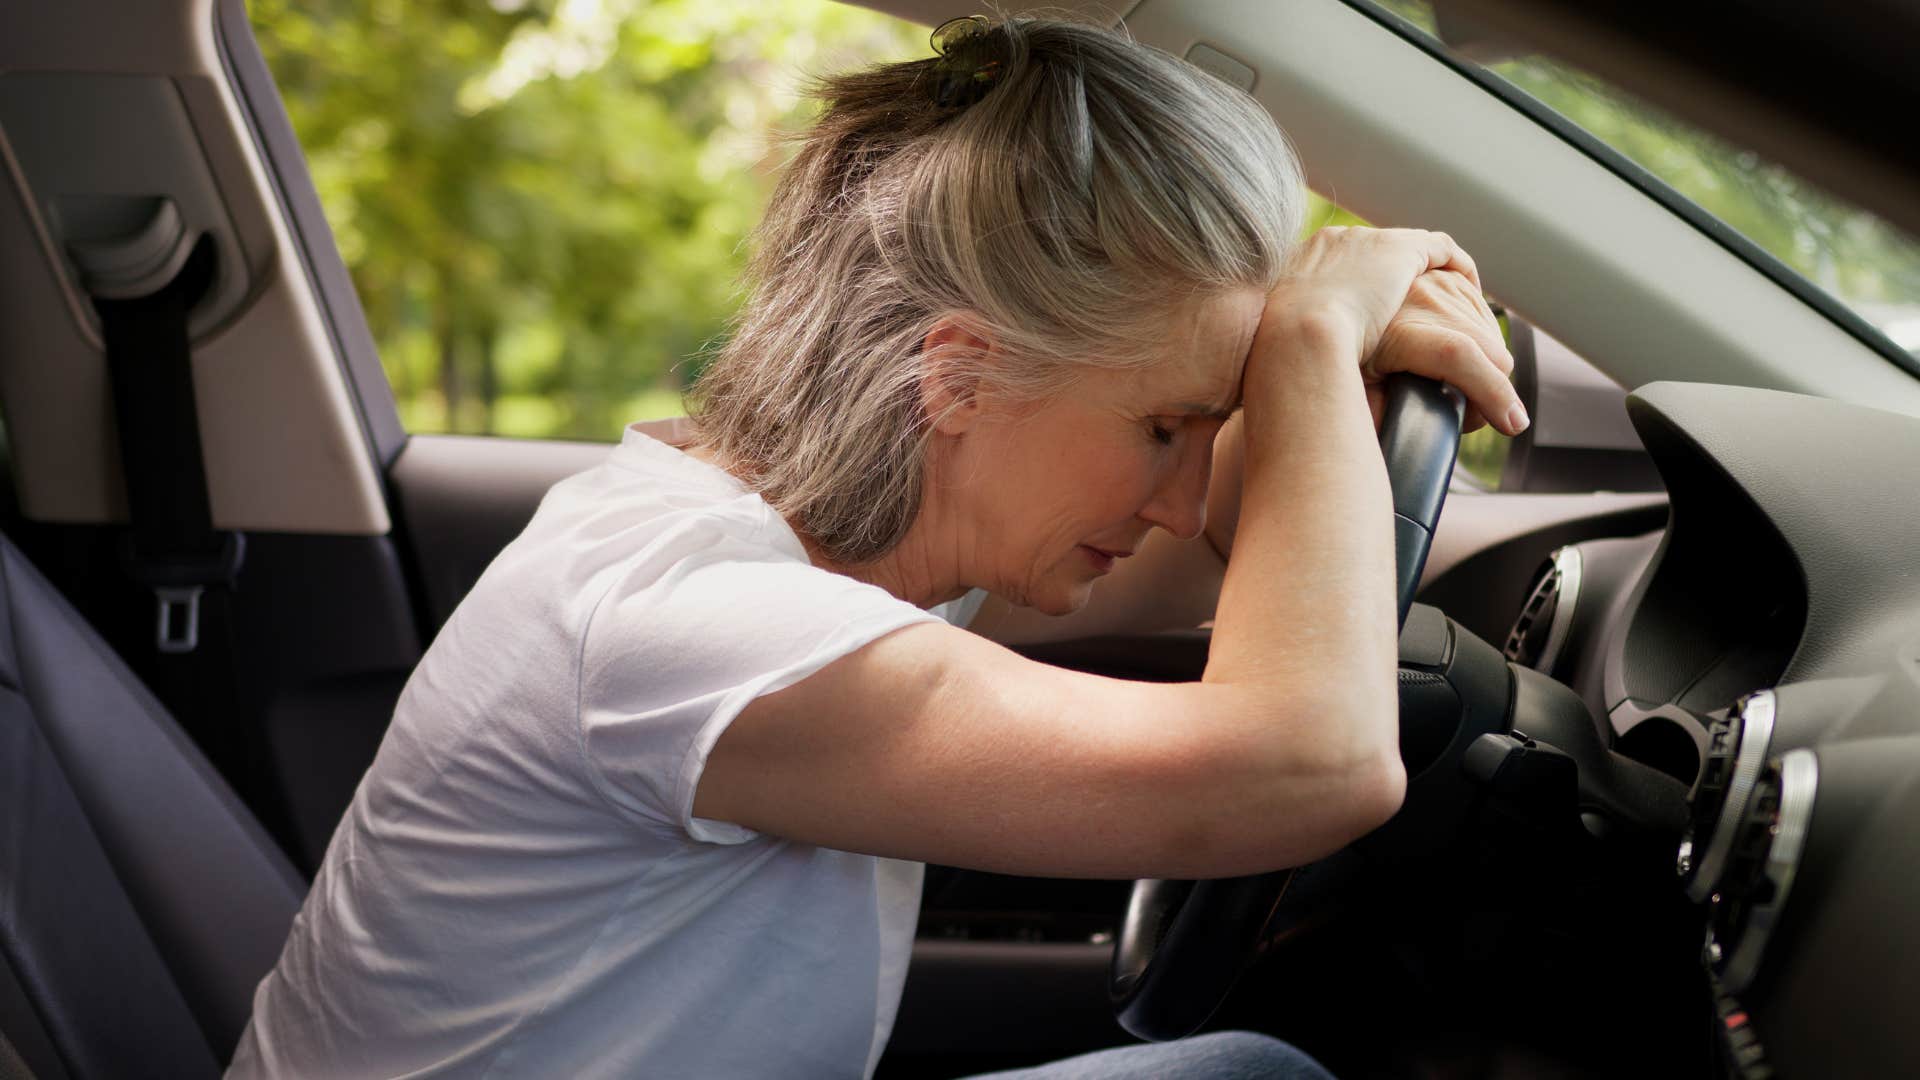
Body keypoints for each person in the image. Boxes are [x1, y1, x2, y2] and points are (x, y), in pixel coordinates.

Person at [229, 14, 1523, 1079]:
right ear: (959, 376)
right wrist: (1306, 346)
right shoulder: (700, 630)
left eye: (1210, 426)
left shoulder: (793, 530)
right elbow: (1309, 767)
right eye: (1164, 427)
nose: (1184, 499)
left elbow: (1253, 546)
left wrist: (1319, 370)